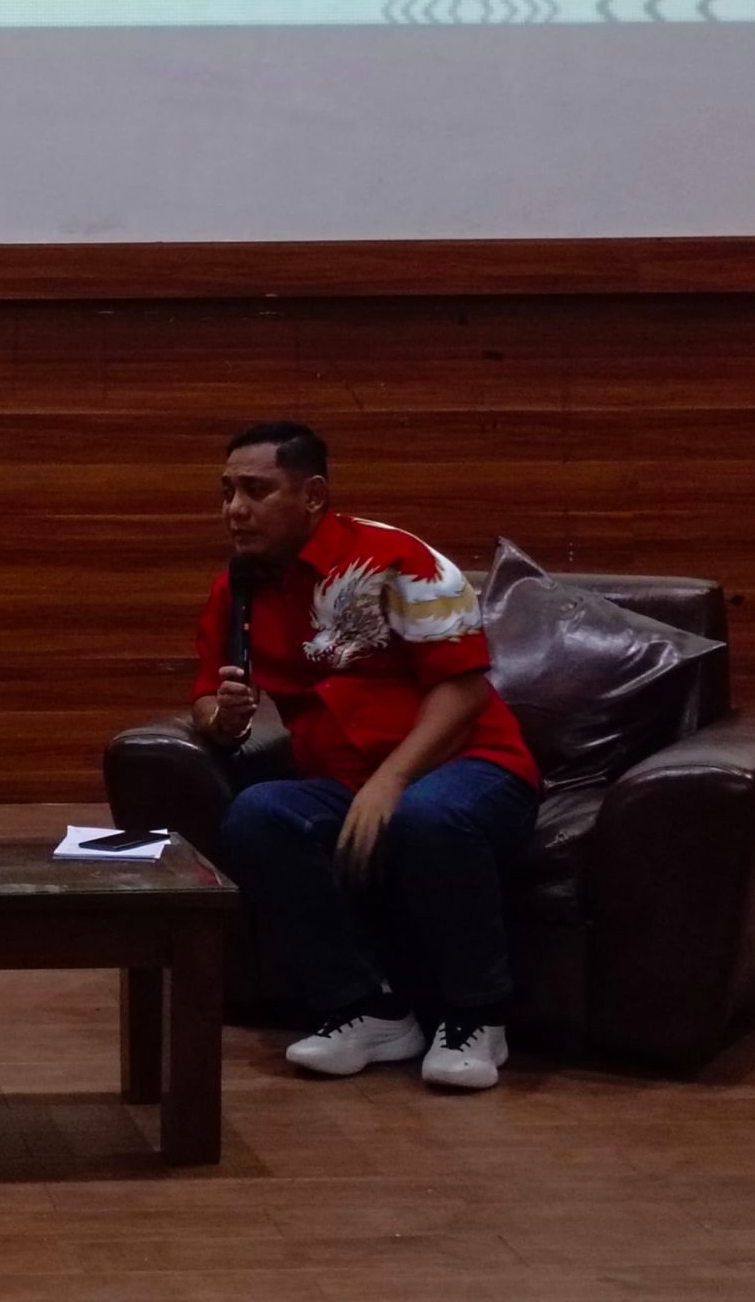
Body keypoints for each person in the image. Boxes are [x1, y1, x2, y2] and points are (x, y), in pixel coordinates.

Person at [192, 421, 538, 1091]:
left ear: (313, 495)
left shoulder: (399, 559)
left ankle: (477, 1016)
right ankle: (367, 1008)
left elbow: (465, 690)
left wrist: (391, 781)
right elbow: (206, 698)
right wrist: (221, 718)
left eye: (256, 490)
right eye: (227, 491)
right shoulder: (236, 590)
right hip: (343, 781)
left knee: (425, 815)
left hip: (472, 766)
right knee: (257, 815)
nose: (234, 509)